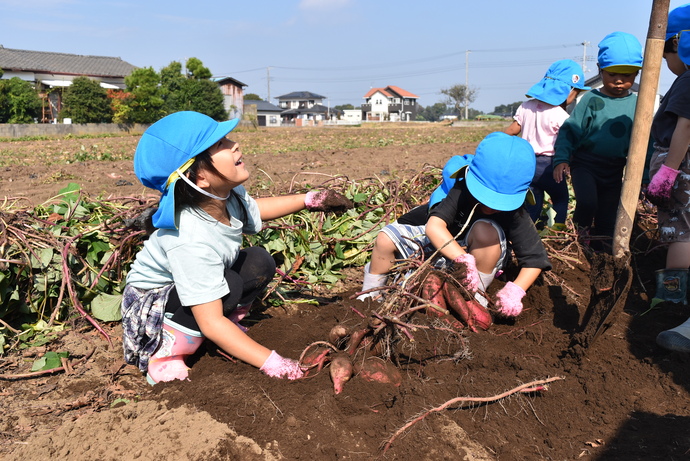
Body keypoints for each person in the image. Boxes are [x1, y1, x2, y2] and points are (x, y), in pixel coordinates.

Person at [121, 111, 353, 384]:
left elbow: (256, 209)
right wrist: (274, 362)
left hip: (189, 289)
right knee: (226, 289)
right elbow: (210, 321)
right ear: (200, 178)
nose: (234, 145)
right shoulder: (190, 239)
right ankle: (166, 354)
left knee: (258, 261)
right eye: (219, 145)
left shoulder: (226, 196)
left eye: (227, 138)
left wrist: (310, 199)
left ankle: (224, 332)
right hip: (153, 310)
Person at [358, 132, 551, 319]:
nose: (491, 207)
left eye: (499, 202)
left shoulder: (516, 212)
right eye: (486, 197)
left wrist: (515, 290)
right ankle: (371, 295)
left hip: (481, 257)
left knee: (486, 231)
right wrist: (463, 260)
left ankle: (474, 297)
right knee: (384, 239)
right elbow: (434, 227)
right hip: (446, 250)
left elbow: (535, 260)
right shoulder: (462, 189)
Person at [552, 32, 644, 249]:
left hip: (615, 168)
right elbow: (570, 130)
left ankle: (601, 251)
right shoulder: (591, 99)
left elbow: (644, 143)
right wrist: (562, 158)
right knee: (587, 202)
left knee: (608, 213)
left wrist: (647, 174)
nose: (620, 81)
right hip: (586, 164)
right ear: (600, 69)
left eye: (628, 75)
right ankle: (579, 239)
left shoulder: (639, 104)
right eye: (612, 74)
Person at [646, 3, 690, 353]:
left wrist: (668, 172)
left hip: (682, 173)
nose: (666, 62)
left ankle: (671, 301)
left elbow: (685, 128)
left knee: (681, 235)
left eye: (666, 53)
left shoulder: (689, 80)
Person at [505, 59, 590, 230]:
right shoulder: (560, 115)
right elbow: (568, 143)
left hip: (527, 163)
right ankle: (556, 230)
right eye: (576, 93)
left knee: (532, 199)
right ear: (569, 90)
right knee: (560, 198)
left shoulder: (526, 106)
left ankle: (530, 229)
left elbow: (512, 131)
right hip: (550, 166)